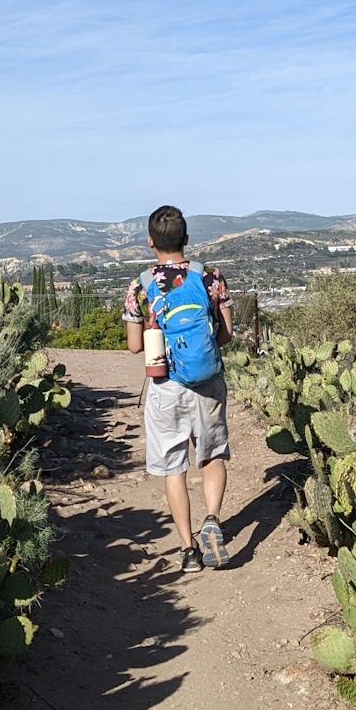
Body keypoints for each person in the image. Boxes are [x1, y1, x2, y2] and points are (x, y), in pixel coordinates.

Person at [123, 205, 233, 573]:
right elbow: (226, 335)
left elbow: (136, 347)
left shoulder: (140, 285)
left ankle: (188, 550)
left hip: (164, 384)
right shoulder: (210, 277)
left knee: (174, 467)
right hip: (206, 382)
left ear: (151, 242)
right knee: (212, 453)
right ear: (186, 240)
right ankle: (213, 519)